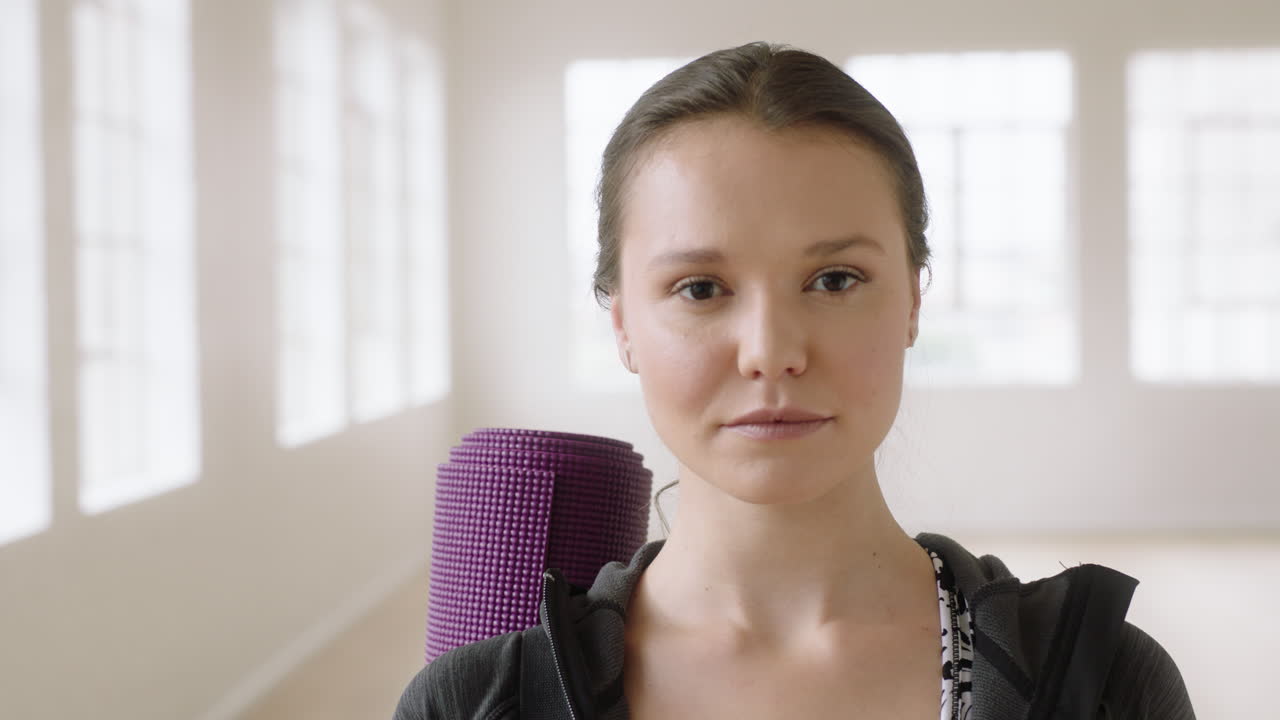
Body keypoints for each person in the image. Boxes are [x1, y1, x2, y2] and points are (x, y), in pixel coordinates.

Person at [393, 41, 1194, 719]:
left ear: (914, 298)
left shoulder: (1103, 684)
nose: (771, 353)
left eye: (836, 279)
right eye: (701, 288)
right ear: (623, 326)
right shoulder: (471, 701)